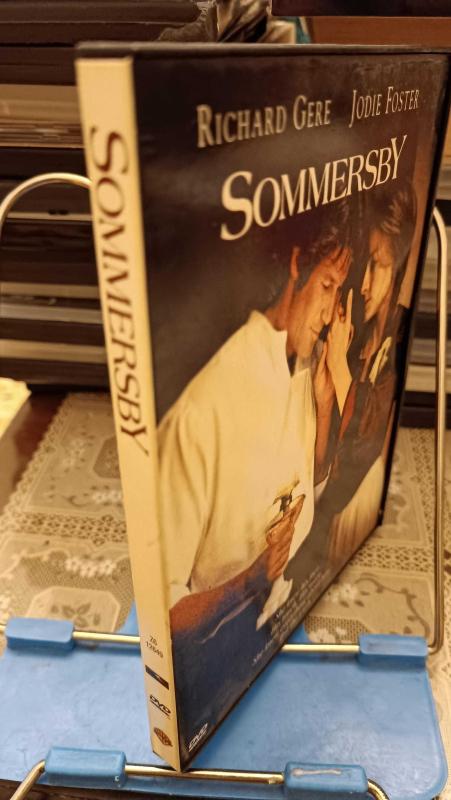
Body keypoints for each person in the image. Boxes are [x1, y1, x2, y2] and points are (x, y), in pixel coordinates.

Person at [157, 205, 353, 757]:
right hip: (213, 666)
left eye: (340, 294)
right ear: (296, 265)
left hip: (281, 633)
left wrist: (326, 404)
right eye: (327, 285)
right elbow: (163, 616)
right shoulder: (203, 412)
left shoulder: (302, 370)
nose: (330, 313)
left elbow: (311, 487)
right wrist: (248, 582)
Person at [307, 183, 417, 569]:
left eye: (379, 264)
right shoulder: (346, 327)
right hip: (319, 521)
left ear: (397, 264)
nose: (366, 283)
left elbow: (365, 442)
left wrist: (339, 368)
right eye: (364, 263)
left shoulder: (398, 332)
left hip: (354, 520)